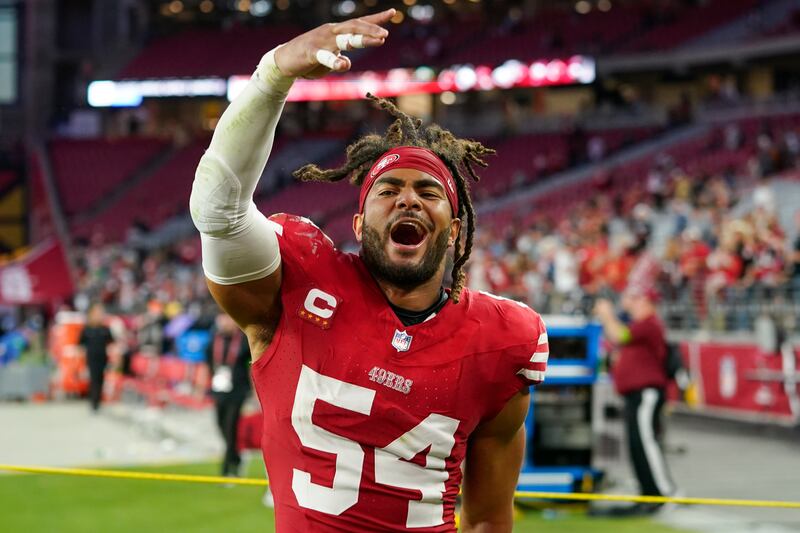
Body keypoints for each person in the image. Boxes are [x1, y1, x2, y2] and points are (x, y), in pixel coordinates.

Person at [189, 9, 549, 532]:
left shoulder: (501, 340)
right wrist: (274, 75)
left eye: (429, 192)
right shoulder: (297, 284)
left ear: (453, 232)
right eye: (389, 191)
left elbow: (489, 521)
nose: (409, 200)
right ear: (359, 224)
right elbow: (218, 209)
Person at [592, 286, 678, 516]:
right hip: (635, 395)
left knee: (646, 443)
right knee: (637, 445)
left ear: (648, 303)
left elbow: (620, 335)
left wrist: (607, 314)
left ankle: (663, 492)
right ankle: (648, 493)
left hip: (646, 393)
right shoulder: (641, 326)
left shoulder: (649, 324)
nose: (631, 303)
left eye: (637, 299)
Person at [206, 313, 252, 478]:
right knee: (220, 425)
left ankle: (227, 470)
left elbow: (252, 363)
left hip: (238, 391)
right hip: (219, 390)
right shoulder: (214, 340)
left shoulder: (243, 341)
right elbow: (208, 363)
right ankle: (237, 457)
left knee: (230, 427)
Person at [78, 303, 114, 412]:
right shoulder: (87, 329)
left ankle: (98, 402)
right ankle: (93, 403)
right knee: (94, 380)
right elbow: (80, 344)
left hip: (102, 358)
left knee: (101, 380)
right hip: (91, 358)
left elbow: (112, 343)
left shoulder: (105, 329)